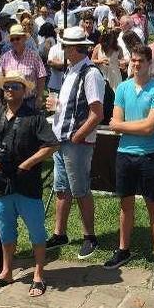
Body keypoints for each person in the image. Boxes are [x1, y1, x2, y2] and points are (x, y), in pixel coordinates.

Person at [0, 72, 59, 297]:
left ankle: (39, 274)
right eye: (6, 86)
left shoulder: (35, 117)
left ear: (24, 90)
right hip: (2, 185)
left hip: (27, 185)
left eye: (15, 86)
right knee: (5, 231)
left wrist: (28, 163)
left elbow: (51, 144)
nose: (9, 89)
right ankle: (6, 271)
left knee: (36, 231)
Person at [103, 46, 154, 277]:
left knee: (153, 204)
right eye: (133, 60)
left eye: (140, 60)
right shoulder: (122, 87)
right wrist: (133, 127)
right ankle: (124, 248)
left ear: (149, 62)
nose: (136, 64)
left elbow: (151, 126)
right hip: (125, 153)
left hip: (149, 155)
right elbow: (117, 124)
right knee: (125, 204)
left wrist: (122, 127)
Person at [45, 27, 105, 259]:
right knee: (62, 189)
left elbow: (96, 113)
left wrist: (78, 136)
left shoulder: (90, 74)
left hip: (75, 142)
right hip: (62, 140)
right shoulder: (72, 70)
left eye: (65, 46)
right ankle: (60, 233)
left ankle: (90, 236)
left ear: (75, 47)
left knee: (80, 190)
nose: (62, 49)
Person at [0, 25, 47, 110]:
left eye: (17, 38)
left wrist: (39, 97)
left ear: (24, 38)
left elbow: (41, 76)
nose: (15, 41)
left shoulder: (34, 56)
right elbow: (1, 78)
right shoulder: (5, 57)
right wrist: (2, 98)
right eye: (12, 39)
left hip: (29, 101)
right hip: (10, 102)